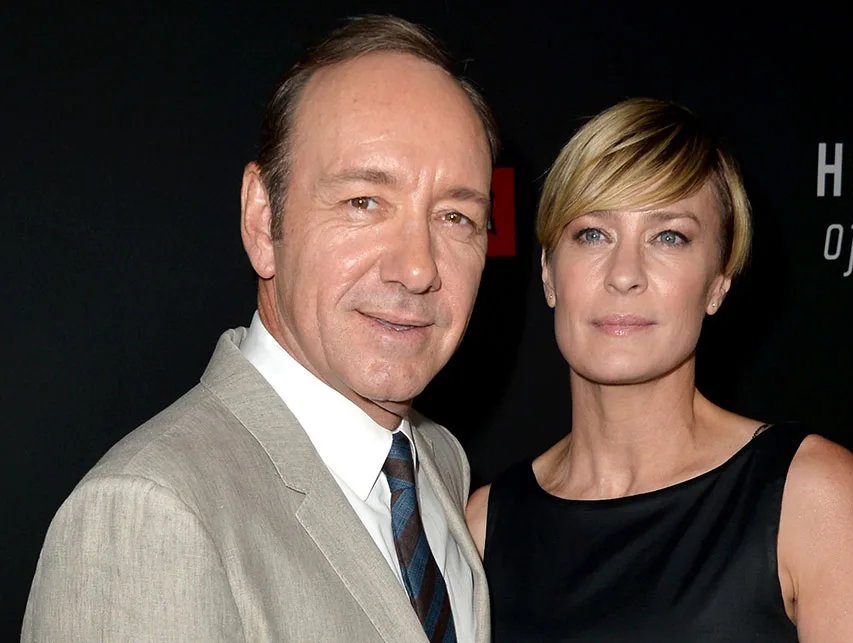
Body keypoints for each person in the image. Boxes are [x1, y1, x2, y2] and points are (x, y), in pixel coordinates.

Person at [23, 15, 499, 643]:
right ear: (261, 219)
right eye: (363, 202)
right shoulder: (148, 514)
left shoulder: (439, 462)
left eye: (456, 216)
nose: (417, 268)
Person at [466, 98, 853, 642]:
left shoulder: (807, 493)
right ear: (550, 272)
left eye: (668, 237)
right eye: (593, 234)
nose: (625, 275)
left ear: (719, 281)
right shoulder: (486, 525)